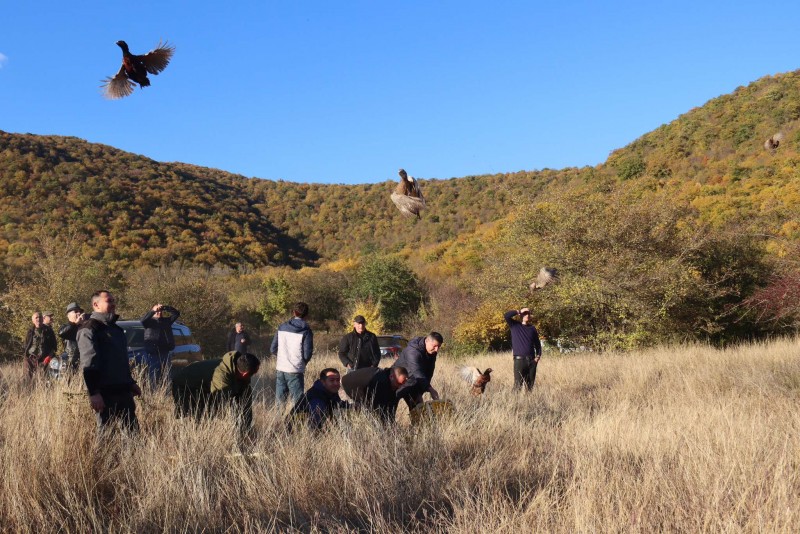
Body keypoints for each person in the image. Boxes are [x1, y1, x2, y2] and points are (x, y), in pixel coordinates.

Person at [77, 290, 141, 432]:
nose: (113, 304)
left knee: (133, 435)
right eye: (109, 301)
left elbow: (121, 361)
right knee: (106, 437)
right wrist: (94, 393)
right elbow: (89, 364)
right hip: (104, 394)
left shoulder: (116, 329)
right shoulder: (89, 329)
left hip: (124, 391)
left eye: (113, 300)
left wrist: (131, 383)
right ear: (96, 304)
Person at [172, 351, 260, 433]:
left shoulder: (242, 376)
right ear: (245, 374)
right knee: (190, 416)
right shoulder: (221, 376)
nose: (254, 375)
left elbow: (245, 403)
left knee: (203, 417)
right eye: (254, 372)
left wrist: (246, 429)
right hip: (185, 385)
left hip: (203, 387)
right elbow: (217, 403)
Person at [270, 302, 313, 408]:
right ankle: (296, 424)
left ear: (294, 312)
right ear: (307, 315)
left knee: (280, 403)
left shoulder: (282, 327)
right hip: (295, 369)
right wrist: (302, 362)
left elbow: (272, 349)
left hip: (281, 368)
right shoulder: (306, 330)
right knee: (298, 403)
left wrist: (282, 356)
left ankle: (278, 424)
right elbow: (307, 354)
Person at [392, 332, 443, 409]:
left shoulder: (432, 352)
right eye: (435, 346)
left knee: (419, 410)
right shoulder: (413, 351)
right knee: (390, 406)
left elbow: (429, 372)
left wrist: (420, 392)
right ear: (427, 341)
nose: (436, 350)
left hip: (414, 381)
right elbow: (417, 371)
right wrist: (430, 389)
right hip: (398, 381)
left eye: (439, 347)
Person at [341, 366, 409, 423]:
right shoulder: (381, 382)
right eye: (399, 384)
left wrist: (392, 421)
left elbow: (392, 404)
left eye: (403, 384)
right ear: (391, 377)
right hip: (350, 385)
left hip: (367, 384)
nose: (400, 387)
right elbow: (380, 408)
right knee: (370, 409)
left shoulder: (390, 380)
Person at [139, 303, 181, 384]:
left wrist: (166, 307)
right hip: (153, 353)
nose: (159, 313)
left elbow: (176, 314)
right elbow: (143, 320)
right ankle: (153, 393)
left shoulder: (166, 321)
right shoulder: (149, 322)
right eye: (157, 312)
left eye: (161, 311)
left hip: (165, 352)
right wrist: (153, 310)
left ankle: (165, 393)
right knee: (153, 376)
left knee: (166, 376)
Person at [504, 307, 542, 391]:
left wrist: (537, 357)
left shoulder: (532, 328)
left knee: (530, 387)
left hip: (532, 361)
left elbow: (537, 344)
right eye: (525, 313)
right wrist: (518, 311)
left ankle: (528, 403)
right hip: (519, 361)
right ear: (521, 315)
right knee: (517, 386)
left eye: (528, 313)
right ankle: (514, 404)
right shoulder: (515, 325)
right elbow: (506, 316)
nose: (527, 315)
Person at [22, 311, 57, 379]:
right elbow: (26, 345)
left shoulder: (49, 331)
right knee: (27, 379)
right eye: (36, 317)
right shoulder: (30, 331)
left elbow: (54, 347)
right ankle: (28, 389)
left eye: (40, 317)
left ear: (42, 319)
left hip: (44, 359)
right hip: (30, 358)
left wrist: (49, 357)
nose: (38, 319)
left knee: (43, 379)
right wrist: (26, 356)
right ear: (33, 320)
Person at [57, 302, 85, 374]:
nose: (78, 313)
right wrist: (75, 324)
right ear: (68, 315)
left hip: (84, 361)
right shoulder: (66, 326)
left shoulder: (85, 327)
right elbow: (61, 333)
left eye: (80, 312)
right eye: (75, 311)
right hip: (70, 361)